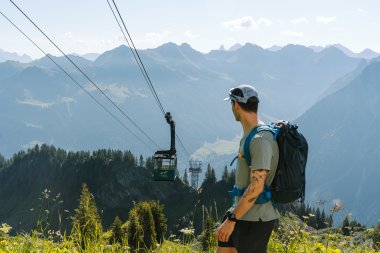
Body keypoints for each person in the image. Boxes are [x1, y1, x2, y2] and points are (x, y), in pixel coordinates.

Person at [215, 84, 280, 253]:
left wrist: (232, 220)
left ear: (236, 105)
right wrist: (231, 216)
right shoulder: (251, 135)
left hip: (255, 220)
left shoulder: (260, 139)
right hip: (240, 213)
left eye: (231, 104)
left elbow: (257, 186)